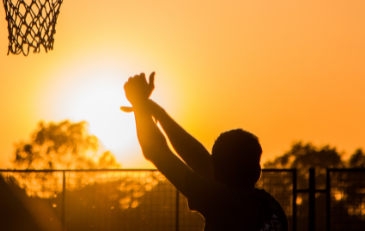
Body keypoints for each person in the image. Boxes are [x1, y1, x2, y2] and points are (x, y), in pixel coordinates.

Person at [123, 72, 288, 231]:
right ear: (257, 172)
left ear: (217, 171)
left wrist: (139, 103)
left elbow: (156, 151)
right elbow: (199, 159)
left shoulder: (224, 203)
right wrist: (155, 110)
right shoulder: (271, 207)